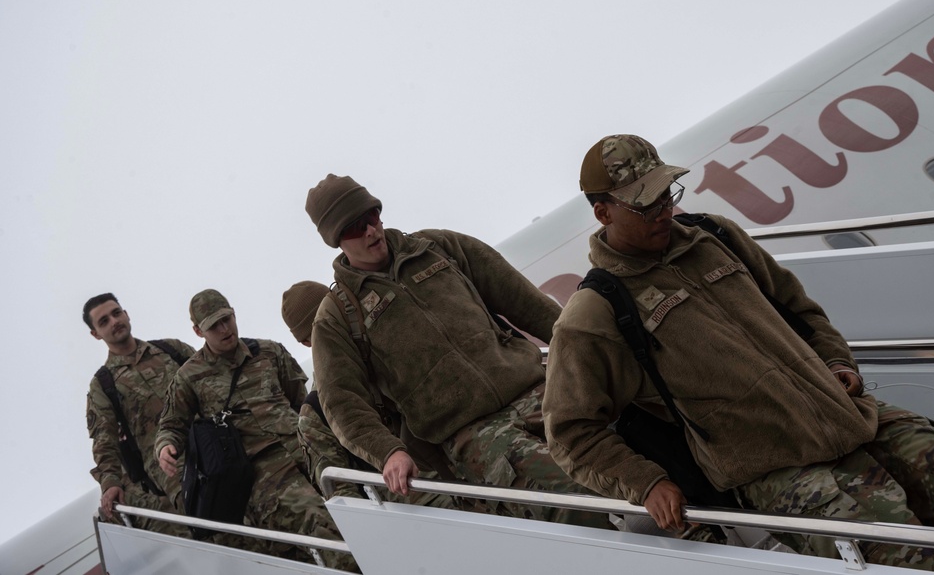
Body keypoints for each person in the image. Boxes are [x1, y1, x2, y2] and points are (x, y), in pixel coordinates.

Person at [542, 134, 934, 571]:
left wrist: (838, 362)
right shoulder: (594, 313)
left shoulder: (714, 236)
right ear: (603, 213)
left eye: (668, 193)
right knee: (912, 564)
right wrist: (647, 483)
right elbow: (570, 432)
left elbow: (801, 311)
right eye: (646, 204)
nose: (666, 211)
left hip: (851, 418)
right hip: (778, 469)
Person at [303, 174, 610, 528]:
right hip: (473, 434)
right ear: (336, 241)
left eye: (371, 216)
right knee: (570, 502)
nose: (370, 230)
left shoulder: (438, 248)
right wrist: (388, 452)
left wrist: (588, 352)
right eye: (355, 228)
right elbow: (342, 402)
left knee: (625, 465)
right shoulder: (337, 316)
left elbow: (526, 303)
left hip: (537, 389)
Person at [155, 289, 358, 572]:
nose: (225, 329)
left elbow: (302, 403)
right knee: (323, 530)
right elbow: (171, 424)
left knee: (358, 511)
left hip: (308, 452)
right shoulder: (188, 377)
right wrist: (165, 445)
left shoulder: (269, 351)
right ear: (198, 331)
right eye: (214, 325)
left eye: (227, 319)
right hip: (264, 475)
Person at [282, 280, 455, 509]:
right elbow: (341, 492)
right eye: (321, 321)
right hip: (418, 500)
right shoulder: (315, 411)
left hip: (459, 462)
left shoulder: (389, 347)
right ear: (306, 342)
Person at [84, 293, 195, 535]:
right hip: (173, 467)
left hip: (217, 442)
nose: (114, 322)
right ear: (96, 334)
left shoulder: (171, 349)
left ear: (126, 314)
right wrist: (110, 483)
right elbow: (104, 440)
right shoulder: (104, 384)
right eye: (103, 321)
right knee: (213, 522)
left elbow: (214, 378)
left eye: (116, 313)